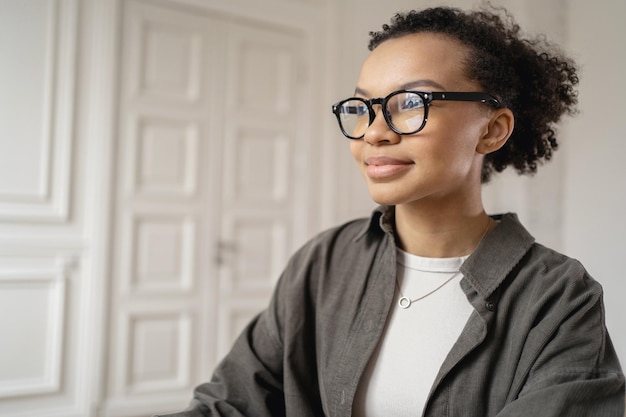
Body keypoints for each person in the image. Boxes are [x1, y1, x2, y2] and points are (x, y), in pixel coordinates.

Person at [155, 5, 625, 417]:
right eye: (363, 106)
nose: (374, 132)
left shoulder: (560, 300)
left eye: (411, 103)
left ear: (492, 130)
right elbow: (232, 404)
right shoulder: (323, 264)